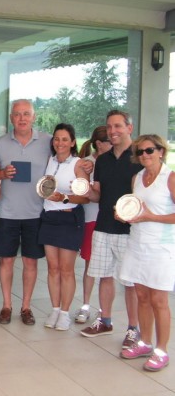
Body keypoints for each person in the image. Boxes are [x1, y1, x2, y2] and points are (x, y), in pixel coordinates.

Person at [81, 110, 142, 350]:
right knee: (104, 276)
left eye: (118, 126)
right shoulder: (103, 160)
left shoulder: (139, 157)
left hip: (130, 230)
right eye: (109, 127)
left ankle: (133, 328)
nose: (113, 131)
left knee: (130, 282)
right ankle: (104, 319)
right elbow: (97, 195)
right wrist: (85, 188)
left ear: (129, 127)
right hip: (104, 226)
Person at [0, 99, 52, 325]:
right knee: (5, 260)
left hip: (36, 213)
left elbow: (65, 162)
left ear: (34, 117)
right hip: (7, 211)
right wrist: (2, 174)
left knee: (31, 262)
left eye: (27, 113)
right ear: (11, 118)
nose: (22, 118)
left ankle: (26, 307)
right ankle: (7, 305)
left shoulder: (48, 141)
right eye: (17, 114)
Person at [118, 134, 175, 372]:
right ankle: (145, 342)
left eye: (149, 150)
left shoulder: (170, 178)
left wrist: (150, 216)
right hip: (137, 243)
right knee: (141, 295)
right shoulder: (137, 178)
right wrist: (122, 214)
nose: (144, 155)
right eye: (140, 152)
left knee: (159, 300)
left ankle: (161, 351)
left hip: (161, 247)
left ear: (161, 151)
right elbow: (133, 208)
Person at [39, 123, 89, 331]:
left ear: (73, 142)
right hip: (49, 217)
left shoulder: (78, 164)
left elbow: (86, 196)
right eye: (57, 139)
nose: (60, 143)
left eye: (65, 139)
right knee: (52, 268)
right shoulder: (49, 161)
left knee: (67, 269)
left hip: (69, 219)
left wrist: (65, 197)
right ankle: (55, 309)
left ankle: (66, 313)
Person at [74, 126, 111, 324]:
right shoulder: (88, 163)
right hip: (91, 218)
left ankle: (104, 310)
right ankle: (86, 305)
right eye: (109, 141)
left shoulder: (115, 161)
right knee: (90, 264)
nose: (113, 144)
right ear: (99, 143)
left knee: (108, 269)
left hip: (110, 220)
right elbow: (83, 192)